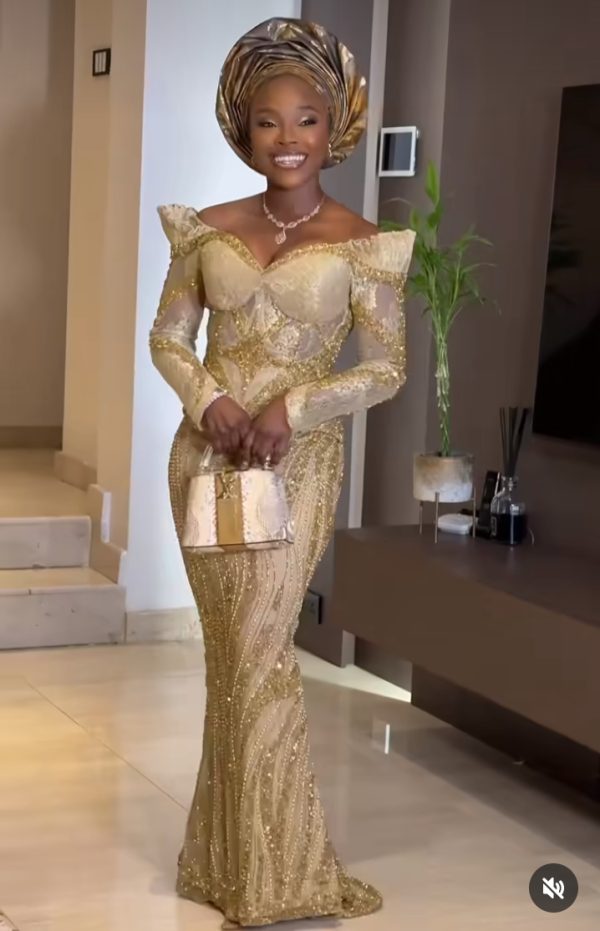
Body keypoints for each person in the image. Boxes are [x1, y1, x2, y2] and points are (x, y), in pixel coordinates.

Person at [150, 17, 414, 929]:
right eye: (269, 120)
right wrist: (208, 400)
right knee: (232, 654)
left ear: (335, 127)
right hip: (205, 460)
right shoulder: (206, 231)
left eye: (307, 118)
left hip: (296, 465)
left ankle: (277, 869)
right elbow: (169, 338)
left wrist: (291, 406)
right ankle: (222, 857)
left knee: (261, 651)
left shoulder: (363, 244)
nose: (288, 138)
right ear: (244, 128)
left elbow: (387, 368)